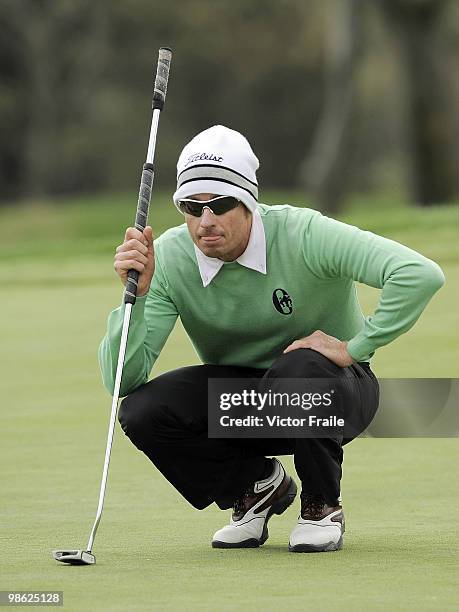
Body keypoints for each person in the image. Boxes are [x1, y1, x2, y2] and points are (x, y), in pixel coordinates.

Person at [98, 125, 445, 553]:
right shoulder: (169, 257)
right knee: (143, 410)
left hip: (335, 394)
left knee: (300, 368)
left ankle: (322, 506)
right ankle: (253, 488)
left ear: (248, 202)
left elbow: (418, 274)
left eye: (221, 205)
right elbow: (122, 379)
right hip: (249, 407)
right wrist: (139, 295)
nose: (205, 222)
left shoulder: (305, 234)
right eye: (191, 207)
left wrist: (356, 347)